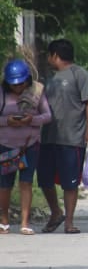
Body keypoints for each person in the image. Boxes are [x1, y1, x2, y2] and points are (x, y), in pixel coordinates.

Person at [36, 39, 88, 234]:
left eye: (49, 55)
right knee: (44, 179)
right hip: (47, 137)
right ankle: (56, 212)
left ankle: (69, 221)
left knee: (70, 182)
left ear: (55, 55)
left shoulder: (80, 74)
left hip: (72, 137)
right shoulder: (46, 78)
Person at [0, 59, 52, 235]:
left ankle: (24, 222)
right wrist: (7, 121)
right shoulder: (2, 94)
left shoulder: (37, 92)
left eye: (20, 84)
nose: (17, 88)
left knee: (26, 182)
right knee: (5, 184)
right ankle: (4, 220)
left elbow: (47, 116)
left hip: (29, 144)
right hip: (6, 145)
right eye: (13, 85)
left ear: (27, 80)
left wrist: (32, 120)